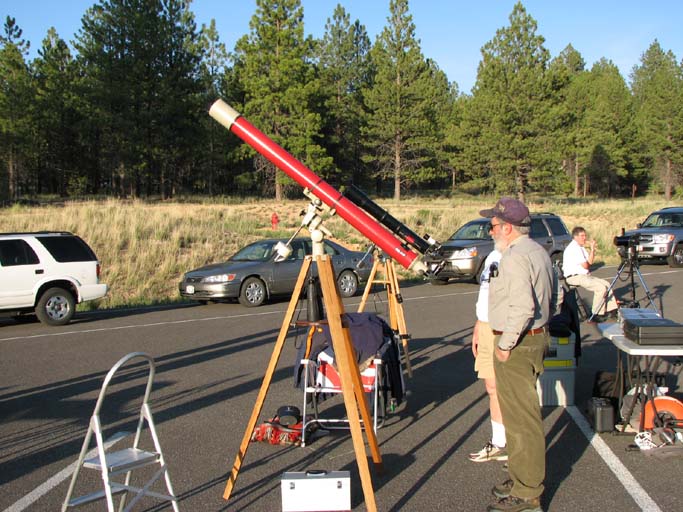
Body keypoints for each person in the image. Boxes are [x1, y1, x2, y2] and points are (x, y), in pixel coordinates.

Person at [480, 197, 560, 512]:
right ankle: (518, 478)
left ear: (507, 228)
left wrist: (505, 345)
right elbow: (556, 294)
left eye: (493, 226)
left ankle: (527, 493)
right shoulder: (538, 252)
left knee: (522, 421)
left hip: (518, 344)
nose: (490, 232)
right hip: (533, 339)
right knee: (515, 418)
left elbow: (524, 307)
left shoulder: (513, 257)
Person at [468, 248, 507, 463]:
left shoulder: (517, 255)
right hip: (485, 325)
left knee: (509, 390)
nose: (491, 230)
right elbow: (485, 292)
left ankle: (517, 443)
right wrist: (479, 322)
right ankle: (499, 442)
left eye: (494, 225)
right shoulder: (493, 256)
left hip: (503, 328)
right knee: (492, 388)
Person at [562, 226, 618, 321]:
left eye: (585, 235)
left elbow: (590, 262)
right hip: (575, 277)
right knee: (600, 288)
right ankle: (596, 314)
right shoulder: (574, 248)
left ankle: (611, 310)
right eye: (582, 236)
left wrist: (592, 249)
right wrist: (587, 264)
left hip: (583, 275)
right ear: (575, 237)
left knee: (607, 284)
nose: (585, 238)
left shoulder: (581, 248)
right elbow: (586, 266)